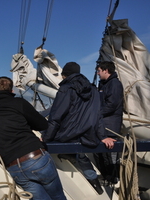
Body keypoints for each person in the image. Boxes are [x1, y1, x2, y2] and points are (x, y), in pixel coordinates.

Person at [0, 76, 66, 200]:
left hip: (14, 167)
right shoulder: (19, 103)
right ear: (12, 91)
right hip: (36, 158)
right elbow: (42, 125)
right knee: (58, 197)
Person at [42, 62, 116, 195]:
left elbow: (56, 116)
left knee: (44, 132)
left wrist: (46, 138)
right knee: (81, 153)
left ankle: (66, 155)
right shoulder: (93, 90)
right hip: (88, 135)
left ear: (65, 75)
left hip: (68, 135)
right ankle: (95, 182)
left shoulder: (66, 88)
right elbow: (97, 116)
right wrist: (103, 137)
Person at [94, 61, 123, 184]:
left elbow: (111, 105)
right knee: (99, 154)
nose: (98, 73)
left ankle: (113, 179)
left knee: (109, 155)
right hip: (102, 126)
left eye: (99, 71)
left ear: (106, 70)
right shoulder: (104, 85)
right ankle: (106, 177)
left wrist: (95, 114)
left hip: (110, 126)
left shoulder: (114, 84)